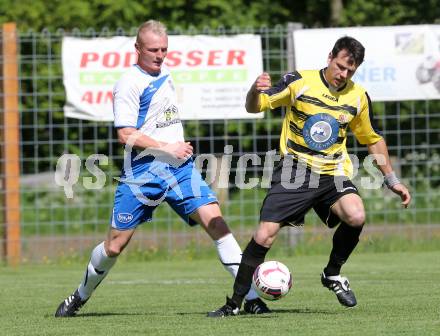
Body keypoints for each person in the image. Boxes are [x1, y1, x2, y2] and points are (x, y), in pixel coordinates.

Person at [55, 20, 267, 317]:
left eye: (164, 49)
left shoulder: (165, 73)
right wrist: (166, 147)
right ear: (137, 48)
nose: (159, 55)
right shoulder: (129, 83)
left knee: (217, 223)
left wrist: (175, 148)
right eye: (153, 49)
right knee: (115, 246)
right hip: (142, 174)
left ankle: (252, 298)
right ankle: (80, 295)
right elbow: (125, 134)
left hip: (180, 169)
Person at [207, 36, 411, 317]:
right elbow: (254, 107)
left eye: (350, 71)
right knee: (265, 235)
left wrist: (392, 180)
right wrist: (255, 91)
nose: (343, 75)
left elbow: (372, 139)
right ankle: (233, 305)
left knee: (356, 215)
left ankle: (332, 274)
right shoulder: (299, 81)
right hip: (295, 170)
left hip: (332, 172)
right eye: (340, 67)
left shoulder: (358, 97)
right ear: (330, 57)